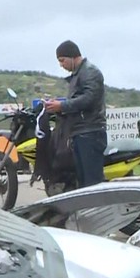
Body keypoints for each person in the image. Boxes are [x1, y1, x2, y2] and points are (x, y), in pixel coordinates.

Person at [44, 40, 107, 188]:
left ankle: (96, 209)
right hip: (80, 132)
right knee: (83, 181)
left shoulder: (90, 72)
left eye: (62, 60)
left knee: (92, 181)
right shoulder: (78, 74)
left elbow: (89, 98)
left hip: (90, 132)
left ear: (72, 56)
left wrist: (62, 105)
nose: (61, 65)